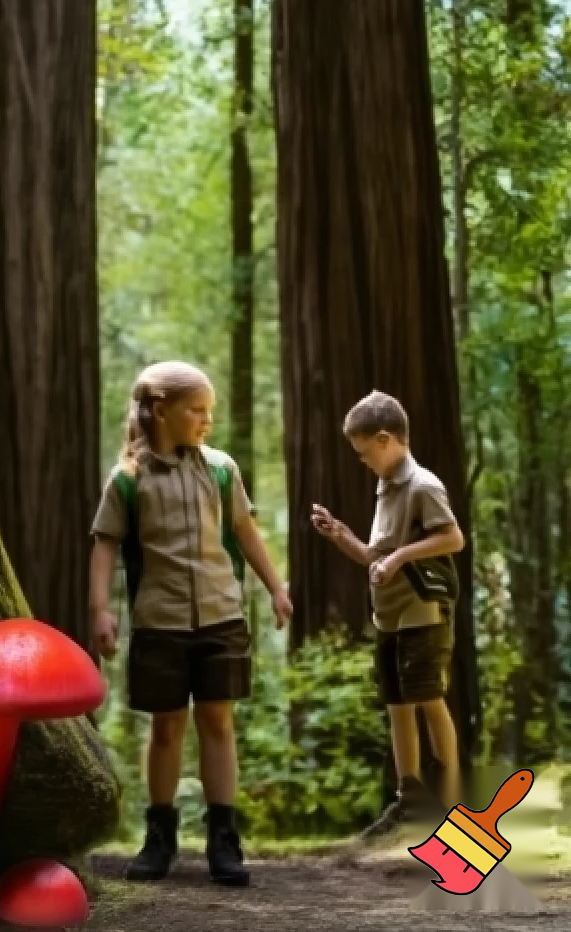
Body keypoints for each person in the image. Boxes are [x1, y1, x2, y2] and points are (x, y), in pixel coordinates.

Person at [88, 361, 292, 886]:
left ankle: (224, 838)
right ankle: (160, 836)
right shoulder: (129, 479)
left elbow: (245, 529)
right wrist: (101, 610)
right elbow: (106, 542)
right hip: (161, 618)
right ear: (161, 411)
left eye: (210, 411)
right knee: (167, 726)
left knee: (219, 722)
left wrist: (275, 586)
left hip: (221, 614)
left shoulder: (220, 469)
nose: (205, 419)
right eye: (196, 409)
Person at [311, 389, 464, 839]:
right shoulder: (386, 488)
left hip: (422, 611)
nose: (362, 461)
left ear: (385, 439)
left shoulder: (423, 486)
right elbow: (372, 555)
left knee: (428, 698)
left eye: (363, 453)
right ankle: (409, 798)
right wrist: (338, 534)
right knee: (397, 703)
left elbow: (453, 538)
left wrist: (401, 559)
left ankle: (452, 800)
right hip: (390, 615)